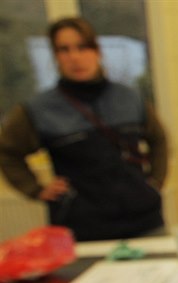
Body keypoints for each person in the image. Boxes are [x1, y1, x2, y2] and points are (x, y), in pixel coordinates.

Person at [0, 17, 168, 241]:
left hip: (145, 223)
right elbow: (7, 152)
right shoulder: (39, 109)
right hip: (82, 230)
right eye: (64, 49)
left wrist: (155, 182)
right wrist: (35, 189)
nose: (75, 57)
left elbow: (159, 140)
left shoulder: (130, 98)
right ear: (56, 57)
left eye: (82, 47)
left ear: (97, 51)